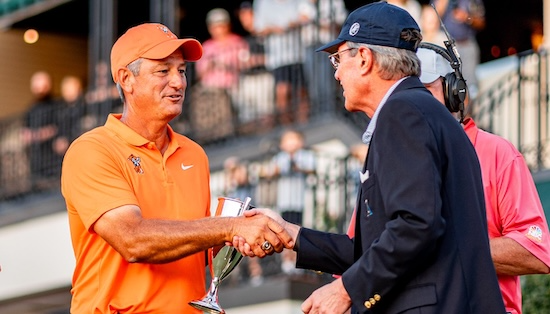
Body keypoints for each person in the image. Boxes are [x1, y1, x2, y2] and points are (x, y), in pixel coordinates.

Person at [234, 2, 506, 313]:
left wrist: (346, 289)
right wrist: (293, 234)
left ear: (364, 59)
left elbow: (416, 226)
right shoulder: (421, 112)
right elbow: (377, 248)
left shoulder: (402, 113)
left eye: (337, 59)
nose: (335, 74)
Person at [60, 23, 293, 313]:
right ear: (126, 79)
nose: (179, 82)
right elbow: (132, 240)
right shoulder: (92, 150)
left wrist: (239, 236)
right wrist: (228, 226)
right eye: (163, 71)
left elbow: (192, 243)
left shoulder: (194, 153)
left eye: (181, 71)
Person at [417, 45, 550, 314]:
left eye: (424, 93)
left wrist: (446, 249)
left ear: (454, 94)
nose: (413, 105)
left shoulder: (498, 153)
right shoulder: (391, 159)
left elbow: (536, 251)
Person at [253, 0, 314, 124]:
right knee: (283, 90)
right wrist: (274, 29)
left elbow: (306, 16)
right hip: (277, 57)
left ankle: (304, 123)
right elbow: (258, 28)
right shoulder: (262, 3)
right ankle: (287, 126)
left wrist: (293, 24)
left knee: (301, 90)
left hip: (298, 54)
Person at [267, 129, 316, 274]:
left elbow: (311, 169)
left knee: (298, 229)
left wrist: (298, 167)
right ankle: (287, 260)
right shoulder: (280, 157)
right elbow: (271, 171)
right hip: (284, 200)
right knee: (283, 229)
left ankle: (296, 260)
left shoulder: (305, 156)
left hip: (299, 201)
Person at [431, 0, 485, 98]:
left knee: (471, 87)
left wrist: (467, 18)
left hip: (467, 45)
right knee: (449, 86)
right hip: (446, 48)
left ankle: (470, 111)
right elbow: (431, 19)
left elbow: (481, 22)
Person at [21, 70, 59, 190]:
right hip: (36, 162)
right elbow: (24, 135)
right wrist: (40, 134)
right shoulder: (30, 110)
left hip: (53, 161)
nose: (40, 88)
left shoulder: (57, 105)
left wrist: (35, 135)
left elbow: (55, 129)